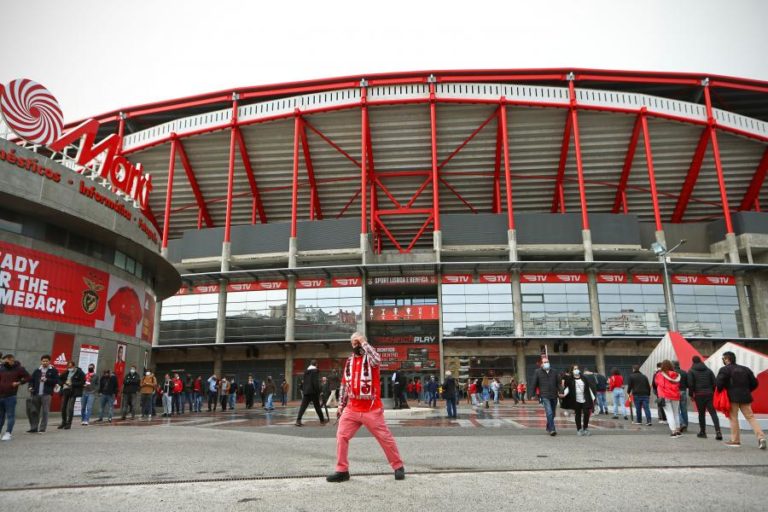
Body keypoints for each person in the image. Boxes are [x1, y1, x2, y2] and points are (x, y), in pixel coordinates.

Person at [327, 332, 404, 483]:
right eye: (353, 343)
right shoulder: (349, 361)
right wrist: (341, 405)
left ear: (363, 343)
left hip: (371, 409)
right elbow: (344, 384)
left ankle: (398, 466)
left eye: (358, 343)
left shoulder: (371, 359)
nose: (355, 346)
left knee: (384, 438)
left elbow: (377, 358)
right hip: (352, 408)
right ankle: (342, 470)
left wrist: (363, 341)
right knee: (341, 436)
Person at [716, 351, 766, 449]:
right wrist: (747, 390)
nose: (723, 361)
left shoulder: (724, 369)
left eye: (723, 359)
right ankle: (761, 437)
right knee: (751, 417)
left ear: (727, 359)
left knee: (733, 418)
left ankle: (735, 440)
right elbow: (755, 383)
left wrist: (722, 390)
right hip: (745, 397)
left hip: (732, 397)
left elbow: (719, 384)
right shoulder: (745, 369)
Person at [688, 355, 722, 440]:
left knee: (701, 414)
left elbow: (691, 384)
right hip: (709, 394)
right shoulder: (709, 370)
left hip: (699, 395)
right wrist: (712, 392)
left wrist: (691, 395)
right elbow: (714, 383)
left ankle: (703, 432)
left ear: (693, 361)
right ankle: (718, 432)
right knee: (713, 413)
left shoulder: (691, 371)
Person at [1, 354, 31, 441]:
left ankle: (8, 433)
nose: (4, 363)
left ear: (11, 360)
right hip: (0, 396)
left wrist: (18, 383)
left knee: (10, 416)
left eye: (5, 361)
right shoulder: (2, 368)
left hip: (10, 396)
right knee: (0, 416)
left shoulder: (19, 369)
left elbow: (28, 377)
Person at [560, 366, 596, 436]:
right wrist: (563, 394)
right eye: (575, 369)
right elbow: (568, 388)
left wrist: (593, 397)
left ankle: (585, 428)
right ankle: (579, 429)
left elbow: (588, 387)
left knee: (586, 413)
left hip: (585, 398)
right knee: (578, 414)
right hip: (576, 399)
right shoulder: (570, 379)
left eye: (577, 368)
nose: (576, 370)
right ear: (572, 371)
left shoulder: (584, 378)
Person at [27, 355, 59, 434]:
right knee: (34, 411)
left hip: (46, 394)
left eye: (46, 361)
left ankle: (42, 428)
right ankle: (34, 428)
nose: (45, 362)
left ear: (49, 361)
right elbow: (31, 380)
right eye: (43, 361)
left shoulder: (53, 371)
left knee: (45, 412)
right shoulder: (37, 370)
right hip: (36, 394)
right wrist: (30, 387)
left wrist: (47, 380)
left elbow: (56, 381)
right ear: (41, 361)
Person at [531, 359, 559, 436]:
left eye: (547, 362)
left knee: (553, 413)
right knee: (549, 412)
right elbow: (534, 383)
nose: (546, 363)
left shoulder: (554, 371)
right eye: (544, 362)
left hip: (554, 395)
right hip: (544, 395)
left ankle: (548, 426)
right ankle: (552, 429)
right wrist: (532, 394)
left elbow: (558, 383)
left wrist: (561, 391)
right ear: (541, 364)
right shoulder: (537, 372)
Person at [655, 360, 682, 438]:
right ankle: (678, 431)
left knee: (669, 414)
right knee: (676, 413)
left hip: (665, 396)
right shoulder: (676, 374)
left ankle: (673, 432)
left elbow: (657, 383)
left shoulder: (659, 374)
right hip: (675, 396)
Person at [295, 360, 327, 426]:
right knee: (317, 407)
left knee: (303, 407)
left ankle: (298, 420)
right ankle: (322, 421)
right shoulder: (315, 371)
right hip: (313, 392)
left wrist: (304, 390)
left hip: (306, 391)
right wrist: (319, 391)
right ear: (316, 364)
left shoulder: (306, 372)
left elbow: (303, 382)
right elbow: (315, 383)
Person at [58, 360, 85, 430]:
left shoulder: (80, 373)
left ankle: (68, 423)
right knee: (63, 407)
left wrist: (72, 384)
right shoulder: (66, 372)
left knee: (70, 408)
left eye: (71, 366)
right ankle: (63, 422)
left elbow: (82, 382)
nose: (69, 368)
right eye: (68, 367)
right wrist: (63, 383)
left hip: (74, 392)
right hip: (65, 390)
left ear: (74, 366)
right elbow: (59, 379)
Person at [673, 361, 689, 432]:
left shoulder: (672, 373)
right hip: (683, 391)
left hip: (675, 392)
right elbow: (688, 383)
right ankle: (685, 425)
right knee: (684, 409)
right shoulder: (684, 372)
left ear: (673, 365)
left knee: (676, 409)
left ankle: (682, 423)